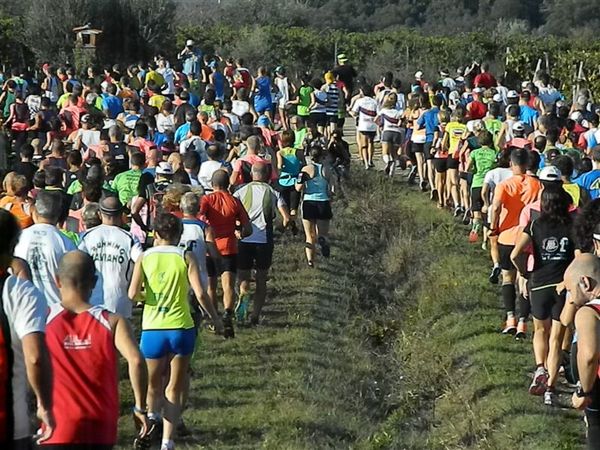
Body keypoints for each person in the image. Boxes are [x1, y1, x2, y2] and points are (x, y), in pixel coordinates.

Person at [128, 213, 222, 450]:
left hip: (153, 328)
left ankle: (151, 422)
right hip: (181, 326)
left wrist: (146, 297)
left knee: (153, 385)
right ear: (179, 234)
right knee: (174, 386)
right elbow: (200, 294)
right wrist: (215, 319)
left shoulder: (145, 257)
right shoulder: (185, 255)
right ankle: (167, 442)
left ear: (156, 234)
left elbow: (132, 294)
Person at [41, 251, 150, 449]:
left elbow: (30, 361)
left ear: (58, 281)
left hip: (57, 426)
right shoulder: (113, 321)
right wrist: (140, 407)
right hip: (100, 425)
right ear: (94, 282)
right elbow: (136, 361)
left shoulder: (43, 319)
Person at [511, 186, 576, 406]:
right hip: (562, 286)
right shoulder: (572, 226)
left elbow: (515, 254)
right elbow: (577, 259)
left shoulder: (535, 225)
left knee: (540, 330)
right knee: (557, 339)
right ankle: (550, 388)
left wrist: (524, 272)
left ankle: (540, 367)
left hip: (538, 283)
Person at [0, 210, 53, 448]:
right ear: (12, 246)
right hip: (9, 420)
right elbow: (35, 357)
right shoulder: (20, 292)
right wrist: (44, 404)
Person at [489, 148, 542, 334]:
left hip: (506, 236)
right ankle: (522, 322)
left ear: (511, 164)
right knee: (525, 278)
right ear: (527, 164)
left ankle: (510, 317)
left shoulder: (504, 185)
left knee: (507, 277)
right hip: (528, 236)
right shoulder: (537, 185)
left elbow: (495, 208)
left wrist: (493, 227)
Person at [234, 163, 290, 325]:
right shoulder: (273, 192)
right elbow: (286, 218)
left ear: (252, 174)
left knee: (243, 276)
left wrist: (237, 231)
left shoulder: (240, 192)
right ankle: (255, 316)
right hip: (264, 241)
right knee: (261, 278)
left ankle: (243, 297)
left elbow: (233, 214)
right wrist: (280, 229)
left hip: (244, 239)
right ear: (267, 175)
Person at [200, 170, 252, 338]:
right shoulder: (234, 201)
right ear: (228, 184)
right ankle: (228, 314)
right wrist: (240, 233)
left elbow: (200, 219)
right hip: (229, 247)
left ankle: (216, 321)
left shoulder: (207, 200)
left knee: (211, 287)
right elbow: (248, 228)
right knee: (228, 285)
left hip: (210, 248)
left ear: (211, 184)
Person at [78, 197, 143, 318]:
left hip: (91, 302)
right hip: (120, 303)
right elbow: (141, 260)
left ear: (99, 214)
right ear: (122, 214)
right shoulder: (129, 238)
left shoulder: (86, 237)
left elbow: (77, 263)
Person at [563, 254, 600, 449]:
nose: (571, 298)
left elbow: (589, 355)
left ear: (585, 283)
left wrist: (584, 391)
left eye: (570, 290)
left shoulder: (589, 312)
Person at [14, 190, 77, 305]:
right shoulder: (66, 243)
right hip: (55, 312)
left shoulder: (18, 238)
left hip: (24, 308)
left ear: (35, 212)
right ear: (58, 215)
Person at [296, 144, 333, 267]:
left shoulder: (306, 170)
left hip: (309, 202)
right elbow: (332, 189)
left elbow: (298, 188)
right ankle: (322, 241)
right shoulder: (326, 169)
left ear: (310, 156)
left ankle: (310, 261)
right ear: (322, 156)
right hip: (323, 202)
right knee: (323, 233)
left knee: (309, 235)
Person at [276, 130, 305, 234]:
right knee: (294, 207)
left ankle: (284, 228)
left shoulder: (280, 152)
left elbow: (279, 166)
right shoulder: (299, 152)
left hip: (283, 181)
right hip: (295, 181)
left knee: (285, 206)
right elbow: (304, 166)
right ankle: (291, 226)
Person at [351, 84, 378, 170]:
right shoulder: (375, 101)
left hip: (363, 125)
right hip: (372, 125)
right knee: (371, 143)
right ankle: (370, 160)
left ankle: (366, 162)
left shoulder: (359, 101)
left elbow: (354, 113)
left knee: (364, 145)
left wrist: (349, 111)